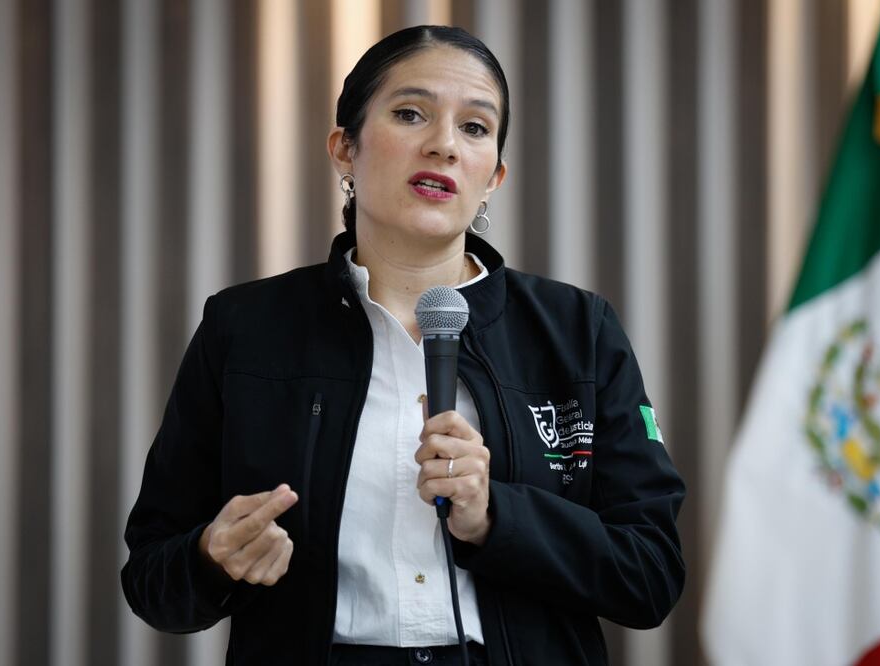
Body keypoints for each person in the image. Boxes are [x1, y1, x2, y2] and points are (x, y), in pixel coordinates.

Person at [121, 25, 685, 665]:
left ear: (493, 175)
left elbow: (651, 575)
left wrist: (496, 515)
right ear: (344, 149)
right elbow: (150, 579)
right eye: (411, 113)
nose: (444, 145)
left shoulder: (578, 330)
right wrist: (211, 559)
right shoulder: (245, 326)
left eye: (474, 128)